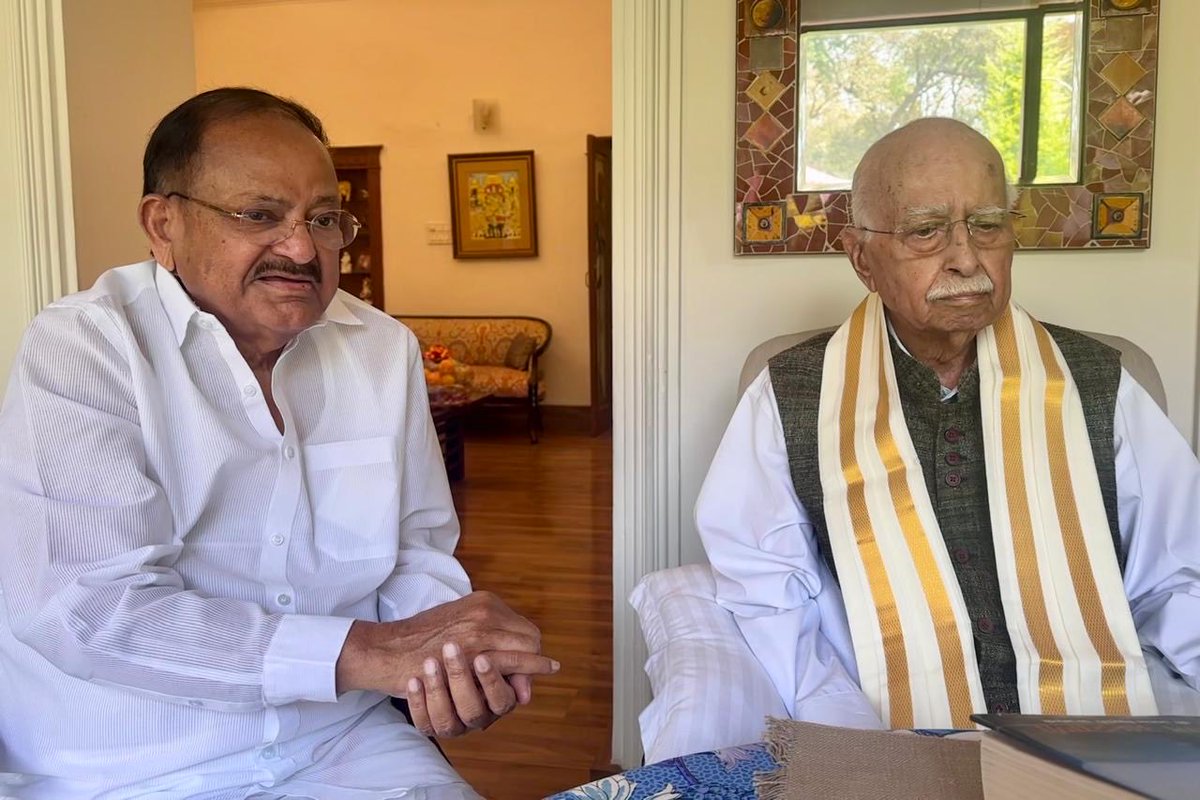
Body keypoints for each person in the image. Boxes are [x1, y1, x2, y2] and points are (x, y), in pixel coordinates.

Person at [0, 87, 558, 799]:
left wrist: (447, 664)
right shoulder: (86, 347)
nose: (301, 248)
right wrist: (366, 654)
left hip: (341, 738)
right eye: (259, 215)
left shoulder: (381, 350)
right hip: (127, 765)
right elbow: (88, 611)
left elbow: (415, 553)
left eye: (323, 219)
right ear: (163, 225)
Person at [697, 118, 1200, 732]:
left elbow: (1180, 579)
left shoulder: (1097, 381)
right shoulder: (791, 393)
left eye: (987, 224)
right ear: (861, 258)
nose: (965, 258)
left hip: (1094, 725)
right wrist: (856, 738)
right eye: (925, 231)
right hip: (880, 723)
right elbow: (767, 596)